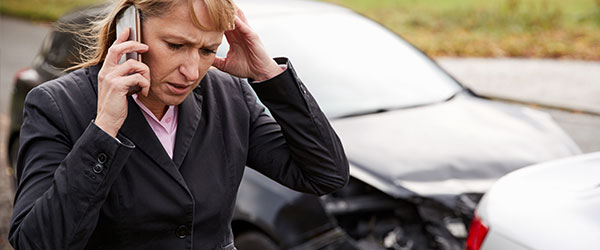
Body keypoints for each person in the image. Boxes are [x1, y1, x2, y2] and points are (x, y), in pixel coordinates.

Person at [9, 0, 349, 249]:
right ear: (129, 28)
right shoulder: (57, 105)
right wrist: (104, 129)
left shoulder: (229, 94)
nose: (191, 71)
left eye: (206, 50)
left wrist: (269, 77)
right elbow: (36, 243)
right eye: (176, 45)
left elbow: (325, 174)